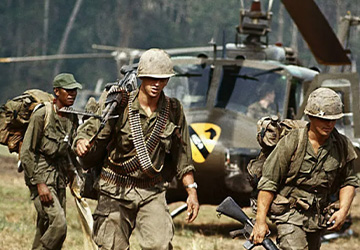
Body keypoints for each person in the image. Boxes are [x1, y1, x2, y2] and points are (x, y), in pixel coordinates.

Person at [74, 48, 199, 250]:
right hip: (115, 188)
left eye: (162, 79)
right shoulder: (118, 103)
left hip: (151, 189)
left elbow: (183, 156)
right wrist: (82, 141)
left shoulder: (173, 110)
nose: (157, 84)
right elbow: (89, 128)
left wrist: (191, 192)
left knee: (159, 245)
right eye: (151, 78)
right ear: (141, 77)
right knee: (111, 246)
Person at [249, 87, 359, 250]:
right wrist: (260, 221)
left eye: (333, 120)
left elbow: (349, 181)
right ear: (310, 117)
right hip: (289, 214)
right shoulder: (292, 142)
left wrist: (343, 210)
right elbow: (268, 183)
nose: (329, 124)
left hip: (318, 216)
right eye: (324, 119)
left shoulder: (341, 145)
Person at [20, 73, 82, 250]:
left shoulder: (71, 118)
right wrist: (39, 184)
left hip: (59, 178)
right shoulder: (42, 115)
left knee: (45, 227)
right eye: (68, 90)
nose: (72, 94)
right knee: (59, 225)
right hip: (40, 176)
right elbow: (26, 152)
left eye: (74, 90)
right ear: (56, 91)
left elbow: (69, 151)